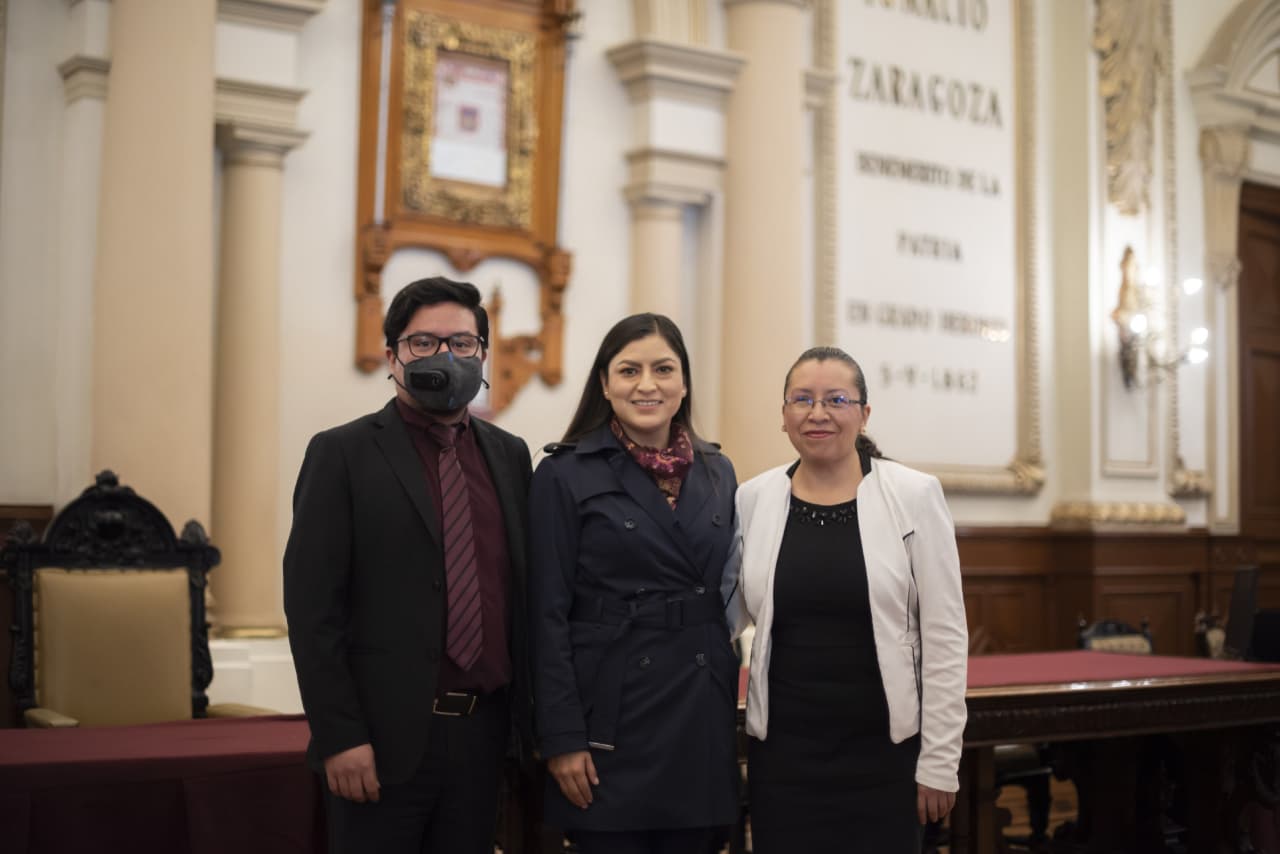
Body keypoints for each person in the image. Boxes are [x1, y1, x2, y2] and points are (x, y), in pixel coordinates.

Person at [283, 276, 533, 853]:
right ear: (392, 355)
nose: (445, 356)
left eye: (462, 343)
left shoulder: (510, 455)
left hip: (483, 737)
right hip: (378, 743)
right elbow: (312, 608)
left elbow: (517, 592)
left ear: (483, 354)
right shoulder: (340, 453)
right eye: (424, 342)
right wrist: (340, 736)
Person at [732, 346, 968, 853]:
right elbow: (731, 612)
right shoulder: (754, 499)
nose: (818, 413)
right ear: (784, 415)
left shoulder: (914, 495)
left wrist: (940, 761)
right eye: (802, 399)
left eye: (836, 399)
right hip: (784, 754)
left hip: (885, 753)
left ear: (863, 414)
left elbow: (946, 637)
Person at [529, 313, 741, 854]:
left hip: (700, 714)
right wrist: (561, 737)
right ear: (604, 383)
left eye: (663, 369)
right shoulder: (564, 473)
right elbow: (543, 616)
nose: (647, 385)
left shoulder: (719, 472)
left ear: (685, 381)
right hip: (610, 718)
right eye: (629, 370)